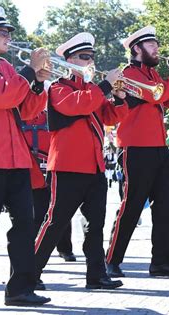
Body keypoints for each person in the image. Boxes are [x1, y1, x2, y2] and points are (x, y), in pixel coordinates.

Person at [34, 32, 126, 290]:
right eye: (84, 57)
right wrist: (105, 87)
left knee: (95, 225)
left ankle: (96, 276)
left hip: (94, 166)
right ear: (70, 60)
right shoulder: (59, 87)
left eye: (91, 57)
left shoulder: (92, 90)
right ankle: (28, 273)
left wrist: (119, 97)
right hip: (67, 165)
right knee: (55, 222)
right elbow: (78, 106)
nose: (90, 62)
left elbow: (110, 117)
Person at [106, 25, 169, 278]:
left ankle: (162, 262)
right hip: (135, 148)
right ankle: (111, 260)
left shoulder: (154, 76)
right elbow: (158, 96)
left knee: (167, 206)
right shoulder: (130, 73)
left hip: (158, 148)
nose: (157, 48)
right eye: (152, 45)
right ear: (137, 49)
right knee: (131, 206)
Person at [0, 5, 51, 306]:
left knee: (25, 226)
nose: (8, 35)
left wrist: (39, 81)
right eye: (1, 31)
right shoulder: (11, 71)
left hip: (16, 160)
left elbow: (27, 110)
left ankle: (20, 289)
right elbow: (3, 97)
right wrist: (29, 71)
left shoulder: (6, 67)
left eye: (7, 31)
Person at [23, 110, 76, 263]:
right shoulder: (20, 116)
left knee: (61, 210)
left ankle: (65, 248)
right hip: (30, 169)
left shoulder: (50, 116)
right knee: (36, 214)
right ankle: (32, 251)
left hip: (53, 166)